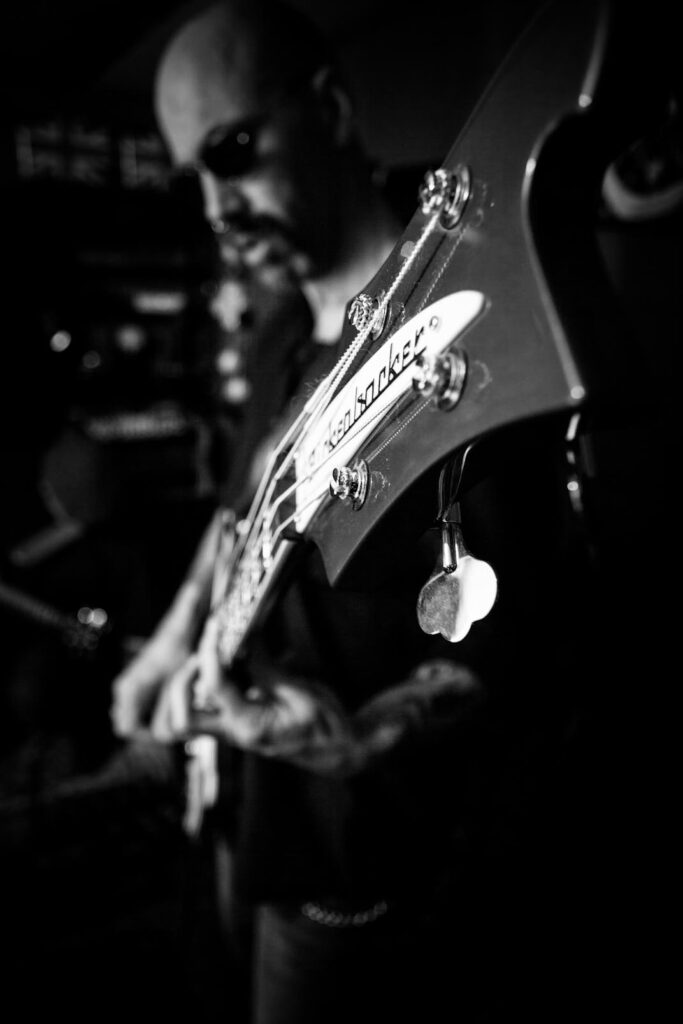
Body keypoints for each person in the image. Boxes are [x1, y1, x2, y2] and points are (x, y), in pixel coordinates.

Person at [109, 1, 662, 1020]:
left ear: (325, 109)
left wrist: (359, 737)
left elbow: (533, 642)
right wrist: (174, 642)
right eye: (194, 182)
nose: (217, 210)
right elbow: (235, 514)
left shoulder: (458, 315)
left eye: (231, 153)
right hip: (245, 805)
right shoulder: (279, 330)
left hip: (369, 860)